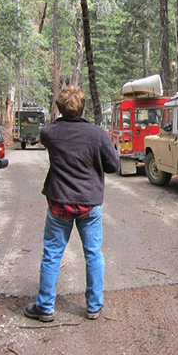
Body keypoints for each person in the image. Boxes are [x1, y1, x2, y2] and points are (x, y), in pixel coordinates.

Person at [25, 86, 119, 322]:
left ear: (59, 108)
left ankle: (45, 307)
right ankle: (94, 306)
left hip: (59, 202)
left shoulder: (49, 132)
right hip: (89, 204)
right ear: (83, 107)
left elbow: (49, 136)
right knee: (93, 254)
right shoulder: (97, 135)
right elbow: (113, 165)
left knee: (52, 254)